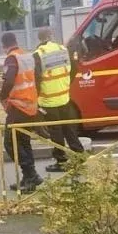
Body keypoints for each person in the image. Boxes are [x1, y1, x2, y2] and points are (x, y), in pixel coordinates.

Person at [34, 27, 85, 172]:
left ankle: (61, 161)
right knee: (69, 129)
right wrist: (66, 83)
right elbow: (74, 68)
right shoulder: (63, 49)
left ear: (40, 39)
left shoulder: (38, 54)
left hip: (49, 101)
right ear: (51, 36)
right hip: (64, 97)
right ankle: (79, 156)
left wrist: (36, 98)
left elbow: (36, 79)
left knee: (56, 131)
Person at [0, 32, 43, 192]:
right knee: (24, 141)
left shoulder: (12, 58)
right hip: (30, 105)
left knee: (10, 143)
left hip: (18, 107)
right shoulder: (27, 56)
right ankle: (29, 176)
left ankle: (31, 175)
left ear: (4, 45)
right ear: (16, 41)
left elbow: (9, 80)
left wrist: (1, 96)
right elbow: (38, 77)